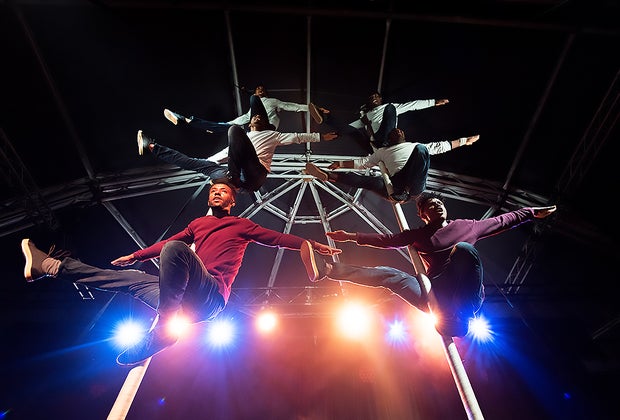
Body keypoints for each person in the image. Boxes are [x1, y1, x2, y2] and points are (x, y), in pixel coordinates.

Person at [21, 178, 342, 366]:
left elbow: (277, 239)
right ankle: (51, 266)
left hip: (210, 296)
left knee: (176, 252)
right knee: (129, 279)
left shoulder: (242, 225)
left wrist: (310, 244)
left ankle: (163, 331)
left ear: (232, 200)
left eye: (223, 191)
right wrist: (136, 256)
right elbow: (168, 242)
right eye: (213, 190)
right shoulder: (198, 223)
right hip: (182, 299)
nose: (216, 193)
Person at [299, 192, 557, 337]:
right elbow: (386, 240)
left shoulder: (467, 226)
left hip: (465, 296)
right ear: (423, 215)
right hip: (436, 296)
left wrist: (531, 212)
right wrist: (351, 236)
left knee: (464, 250)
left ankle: (461, 315)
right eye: (431, 205)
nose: (437, 206)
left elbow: (502, 221)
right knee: (391, 275)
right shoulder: (418, 235)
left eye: (439, 203)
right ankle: (329, 270)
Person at [139, 94, 338, 192]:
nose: (256, 118)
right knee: (198, 161)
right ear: (249, 123)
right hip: (239, 176)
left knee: (233, 130)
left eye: (259, 118)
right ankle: (153, 146)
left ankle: (155, 145)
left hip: (254, 173)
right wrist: (206, 162)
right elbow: (213, 157)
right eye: (254, 118)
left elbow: (297, 137)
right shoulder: (241, 135)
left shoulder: (273, 135)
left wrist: (320, 137)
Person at [305, 128, 479, 203]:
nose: (398, 130)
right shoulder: (383, 152)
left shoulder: (414, 146)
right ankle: (329, 176)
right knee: (370, 182)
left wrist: (464, 141)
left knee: (422, 149)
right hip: (397, 185)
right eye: (394, 131)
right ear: (390, 139)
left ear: (404, 137)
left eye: (400, 130)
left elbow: (441, 146)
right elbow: (364, 163)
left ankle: (406, 188)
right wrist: (340, 164)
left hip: (414, 183)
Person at [163, 84, 329, 134]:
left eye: (262, 89)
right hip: (254, 130)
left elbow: (290, 106)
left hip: (268, 126)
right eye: (258, 89)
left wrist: (311, 108)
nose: (260, 90)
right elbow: (241, 120)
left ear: (265, 93)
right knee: (232, 127)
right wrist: (220, 127)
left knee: (252, 100)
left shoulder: (272, 101)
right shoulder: (252, 112)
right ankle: (186, 120)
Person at [317, 91, 449, 152]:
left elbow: (411, 105)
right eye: (371, 97)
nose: (374, 98)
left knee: (391, 108)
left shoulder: (388, 107)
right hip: (377, 141)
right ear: (369, 102)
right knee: (353, 131)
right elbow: (352, 127)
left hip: (389, 138)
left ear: (380, 100)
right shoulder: (366, 116)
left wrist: (433, 102)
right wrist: (337, 134)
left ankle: (388, 139)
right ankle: (327, 117)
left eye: (377, 96)